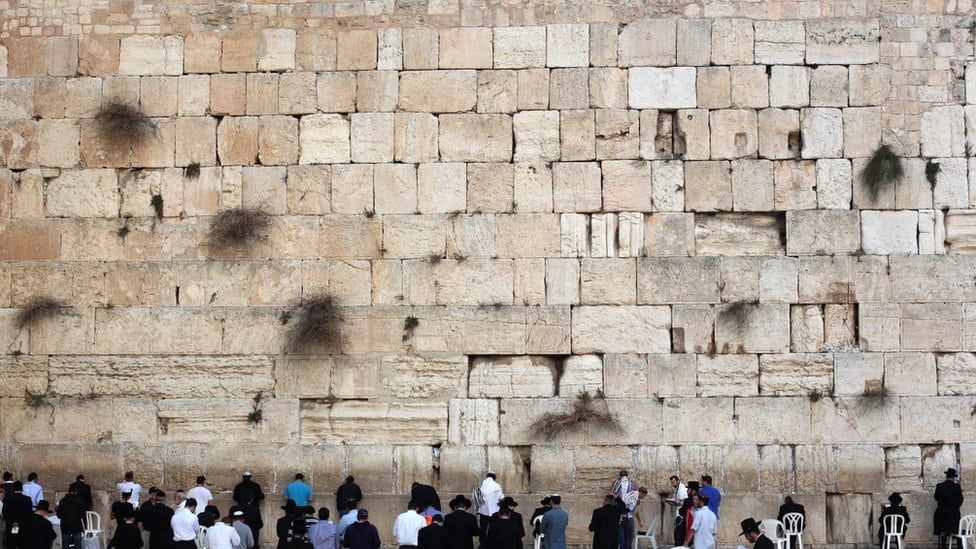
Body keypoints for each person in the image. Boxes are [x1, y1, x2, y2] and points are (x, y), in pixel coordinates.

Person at [934, 468, 964, 549]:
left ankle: (943, 546)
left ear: (946, 476)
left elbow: (936, 497)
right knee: (956, 529)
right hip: (954, 514)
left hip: (941, 512)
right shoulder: (956, 487)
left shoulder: (939, 486)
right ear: (953, 477)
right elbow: (961, 499)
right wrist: (955, 507)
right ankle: (959, 546)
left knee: (943, 530)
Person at [472, 473, 503, 548]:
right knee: (493, 529)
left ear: (487, 477)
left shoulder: (480, 485)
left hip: (483, 511)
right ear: (494, 478)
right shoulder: (497, 486)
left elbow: (475, 496)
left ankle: (483, 545)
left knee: (483, 529)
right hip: (494, 511)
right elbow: (501, 498)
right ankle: (492, 545)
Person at [5, 482, 34, 549]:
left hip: (11, 526)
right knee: (22, 545)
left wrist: (12, 522)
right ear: (22, 488)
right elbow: (30, 514)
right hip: (23, 527)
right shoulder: (27, 499)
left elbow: (5, 513)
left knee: (11, 545)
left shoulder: (7, 498)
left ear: (13, 488)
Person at [668, 476, 688, 545]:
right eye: (672, 483)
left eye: (674, 483)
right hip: (678, 515)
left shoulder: (682, 489)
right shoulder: (678, 488)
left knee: (679, 535)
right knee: (677, 534)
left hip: (681, 516)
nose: (673, 484)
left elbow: (682, 503)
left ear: (678, 481)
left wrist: (673, 503)